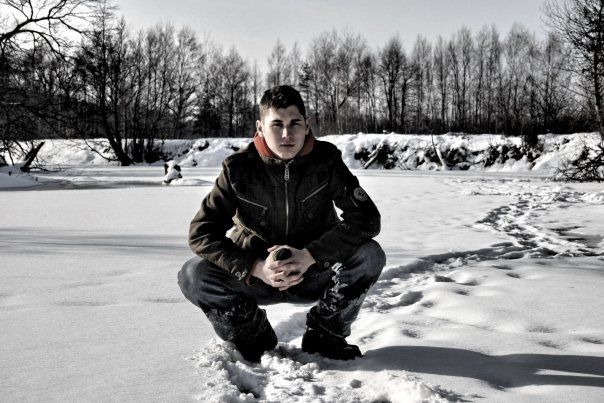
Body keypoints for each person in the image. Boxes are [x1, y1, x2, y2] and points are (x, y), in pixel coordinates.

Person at [178, 85, 385, 363]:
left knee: (370, 255)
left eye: (294, 124)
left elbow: (366, 218)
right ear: (260, 127)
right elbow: (202, 232)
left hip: (314, 272)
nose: (287, 134)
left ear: (306, 125)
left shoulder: (326, 161)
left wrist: (310, 256)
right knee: (193, 274)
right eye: (277, 125)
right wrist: (255, 267)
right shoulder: (237, 168)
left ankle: (325, 335)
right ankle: (253, 337)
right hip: (257, 278)